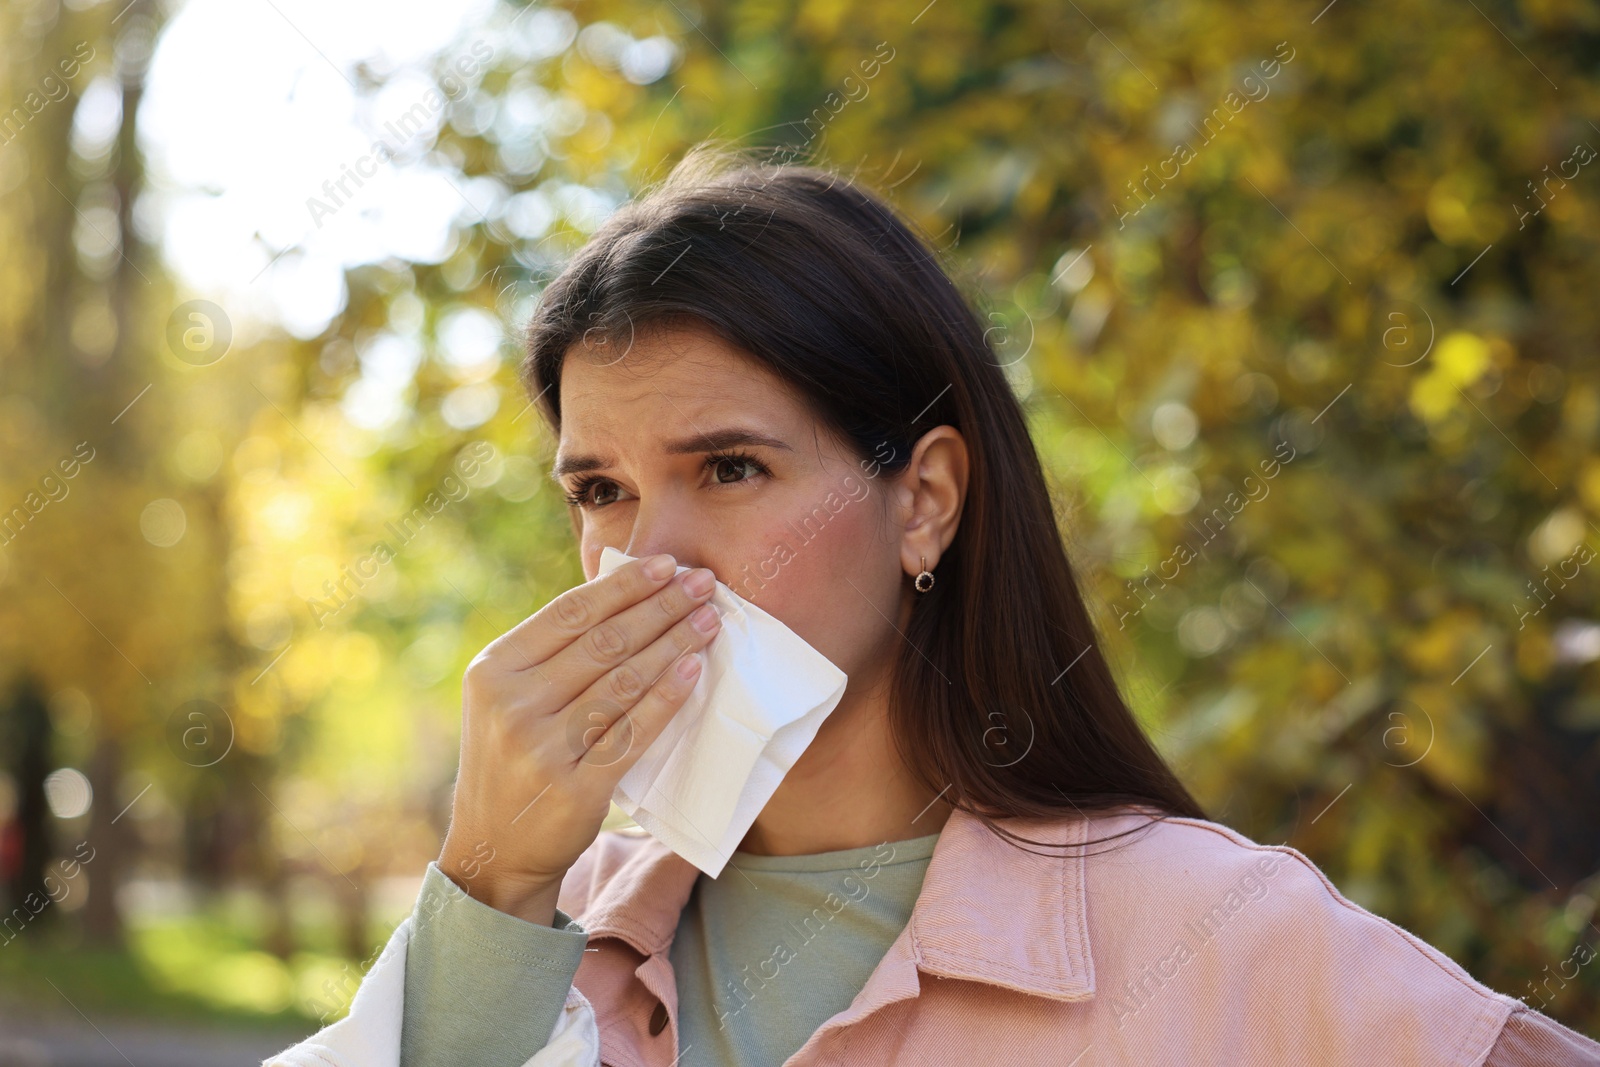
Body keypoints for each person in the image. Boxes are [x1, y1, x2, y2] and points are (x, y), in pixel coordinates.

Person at [268, 145, 1600, 1067]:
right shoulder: (545, 941)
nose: (651, 557)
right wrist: (493, 884)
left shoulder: (1213, 933)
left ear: (925, 502)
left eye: (729, 469)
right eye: (602, 491)